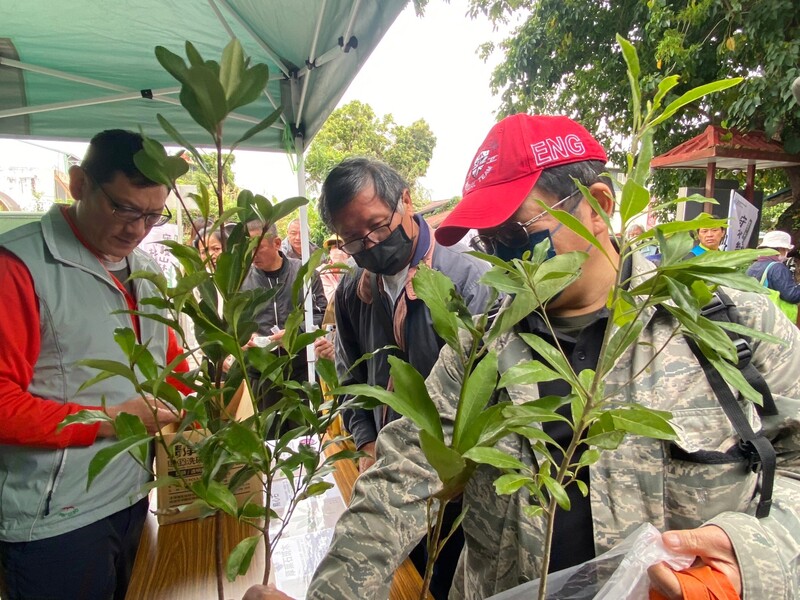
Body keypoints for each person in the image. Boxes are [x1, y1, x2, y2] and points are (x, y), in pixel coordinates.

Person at [256, 115, 800, 600]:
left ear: (600, 206)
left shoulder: (728, 327)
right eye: (490, 244)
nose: (508, 260)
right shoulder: (480, 349)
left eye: (519, 232)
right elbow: (397, 482)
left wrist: (752, 552)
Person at [0, 129, 187, 600]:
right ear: (79, 183)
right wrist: (113, 419)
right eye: (124, 208)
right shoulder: (21, 267)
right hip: (54, 521)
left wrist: (210, 388)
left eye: (151, 215)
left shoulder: (146, 269)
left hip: (132, 496)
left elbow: (168, 366)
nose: (136, 228)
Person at [311, 157, 496, 599]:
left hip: (455, 489)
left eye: (377, 226)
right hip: (387, 478)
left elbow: (486, 396)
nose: (371, 244)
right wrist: (367, 442)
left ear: (406, 201)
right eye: (354, 239)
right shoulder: (356, 290)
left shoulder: (467, 282)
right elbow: (350, 376)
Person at [240, 220, 327, 425]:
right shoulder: (242, 280)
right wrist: (246, 337)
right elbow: (235, 322)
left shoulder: (304, 273)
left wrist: (295, 332)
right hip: (262, 373)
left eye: (258, 247)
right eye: (248, 248)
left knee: (307, 435)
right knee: (268, 438)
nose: (252, 255)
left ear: (277, 243)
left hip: (301, 371)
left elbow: (320, 313)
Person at [746, 230, 800, 304]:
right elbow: (791, 296)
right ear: (781, 248)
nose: (787, 253)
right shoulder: (777, 267)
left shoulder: (754, 265)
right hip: (771, 313)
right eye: (787, 250)